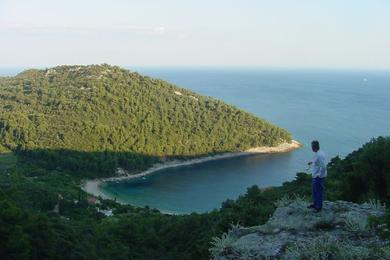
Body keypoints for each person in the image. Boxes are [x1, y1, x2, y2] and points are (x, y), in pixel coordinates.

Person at [307, 140, 327, 212]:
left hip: (319, 177)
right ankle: (315, 204)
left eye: (312, 146)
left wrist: (319, 175)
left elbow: (323, 167)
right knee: (314, 191)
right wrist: (311, 162)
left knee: (318, 192)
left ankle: (318, 207)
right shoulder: (318, 153)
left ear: (314, 147)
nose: (311, 148)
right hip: (315, 176)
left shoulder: (320, 155)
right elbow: (316, 160)